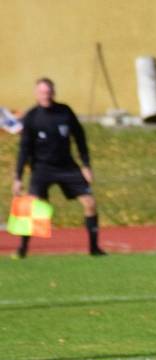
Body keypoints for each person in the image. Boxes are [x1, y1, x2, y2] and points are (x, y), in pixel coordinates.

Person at [12, 77, 105, 258]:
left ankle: (94, 249)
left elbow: (80, 137)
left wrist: (86, 165)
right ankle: (22, 249)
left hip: (67, 167)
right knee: (31, 208)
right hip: (42, 169)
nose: (45, 96)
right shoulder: (31, 117)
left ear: (53, 93)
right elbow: (24, 149)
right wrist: (18, 177)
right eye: (42, 92)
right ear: (36, 94)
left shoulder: (65, 112)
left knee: (90, 203)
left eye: (48, 92)